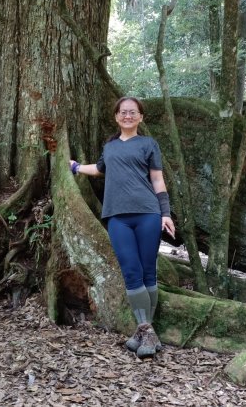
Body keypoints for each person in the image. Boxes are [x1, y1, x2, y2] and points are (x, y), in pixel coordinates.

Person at [69, 96, 175, 359]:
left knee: (148, 271)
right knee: (130, 270)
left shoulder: (148, 144)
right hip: (117, 216)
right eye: (123, 112)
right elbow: (100, 169)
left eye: (133, 112)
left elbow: (158, 181)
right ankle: (146, 330)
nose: (128, 116)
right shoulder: (110, 146)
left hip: (148, 213)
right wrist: (75, 167)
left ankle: (144, 332)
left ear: (140, 117)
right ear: (116, 117)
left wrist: (165, 213)